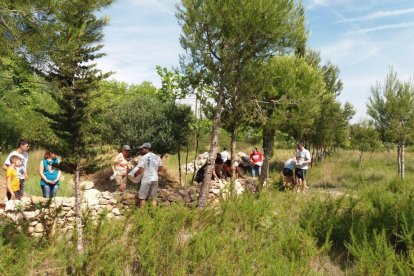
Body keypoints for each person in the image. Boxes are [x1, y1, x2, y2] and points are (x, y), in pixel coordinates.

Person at [134, 143, 162, 207]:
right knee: (153, 198)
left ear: (147, 149)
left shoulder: (144, 157)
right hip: (155, 179)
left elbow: (141, 170)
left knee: (142, 197)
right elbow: (160, 169)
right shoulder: (157, 157)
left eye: (142, 149)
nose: (141, 150)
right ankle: (153, 213)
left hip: (146, 179)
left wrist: (135, 174)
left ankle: (142, 214)